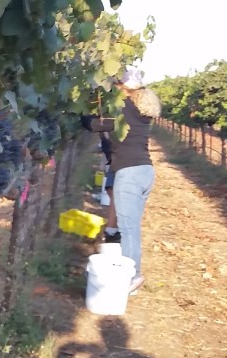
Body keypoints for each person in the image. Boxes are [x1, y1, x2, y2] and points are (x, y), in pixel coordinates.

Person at [82, 69, 161, 294]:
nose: (113, 89)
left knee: (128, 230)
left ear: (124, 89)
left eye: (116, 86)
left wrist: (83, 114)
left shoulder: (123, 108)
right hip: (145, 171)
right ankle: (132, 279)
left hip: (130, 174)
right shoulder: (141, 110)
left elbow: (95, 124)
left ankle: (133, 276)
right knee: (132, 228)